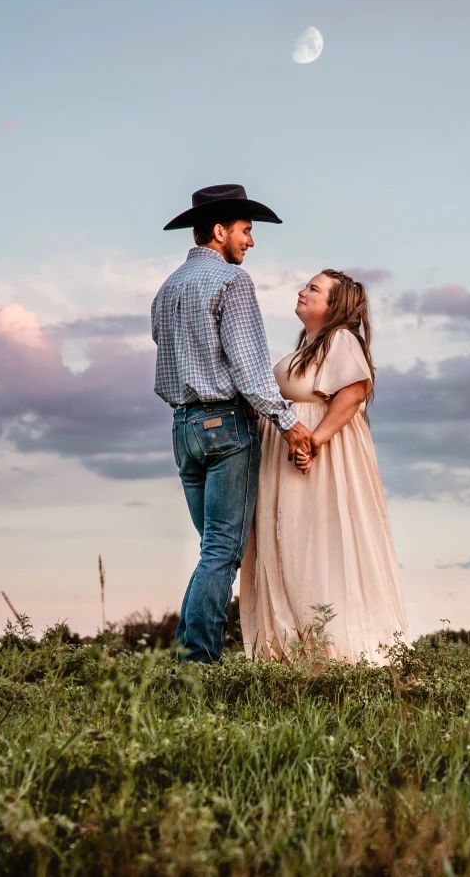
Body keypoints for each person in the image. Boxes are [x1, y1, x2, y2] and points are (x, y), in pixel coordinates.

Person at [152, 184, 315, 664]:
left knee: (212, 552)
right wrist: (287, 422)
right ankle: (196, 665)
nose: (250, 241)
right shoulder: (231, 282)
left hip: (182, 428)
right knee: (222, 552)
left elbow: (165, 361)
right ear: (220, 231)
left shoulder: (168, 288)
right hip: (225, 426)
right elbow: (248, 366)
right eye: (245, 230)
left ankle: (188, 658)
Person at [240, 269, 409, 664]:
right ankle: (290, 648)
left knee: (316, 545)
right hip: (289, 460)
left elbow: (353, 391)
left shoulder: (341, 340)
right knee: (288, 544)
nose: (302, 291)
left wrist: (314, 440)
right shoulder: (308, 347)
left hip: (320, 461)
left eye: (313, 288)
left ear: (334, 305)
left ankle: (331, 651)